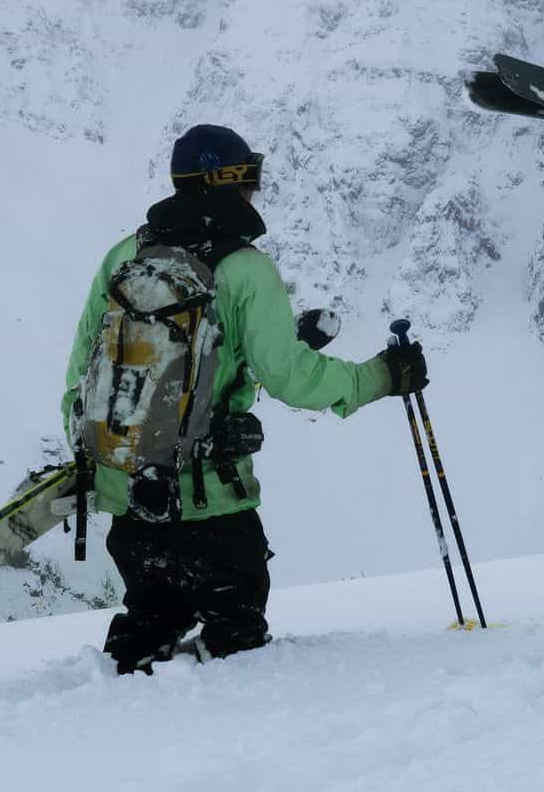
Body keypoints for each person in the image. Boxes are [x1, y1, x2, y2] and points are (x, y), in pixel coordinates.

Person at [62, 124, 427, 674]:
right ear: (227, 181)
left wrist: (116, 460)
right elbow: (291, 379)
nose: (255, 190)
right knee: (236, 646)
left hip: (132, 503)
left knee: (144, 632)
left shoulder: (124, 255)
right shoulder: (246, 269)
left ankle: (123, 728)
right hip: (212, 508)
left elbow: (78, 377)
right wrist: (380, 377)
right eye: (249, 177)